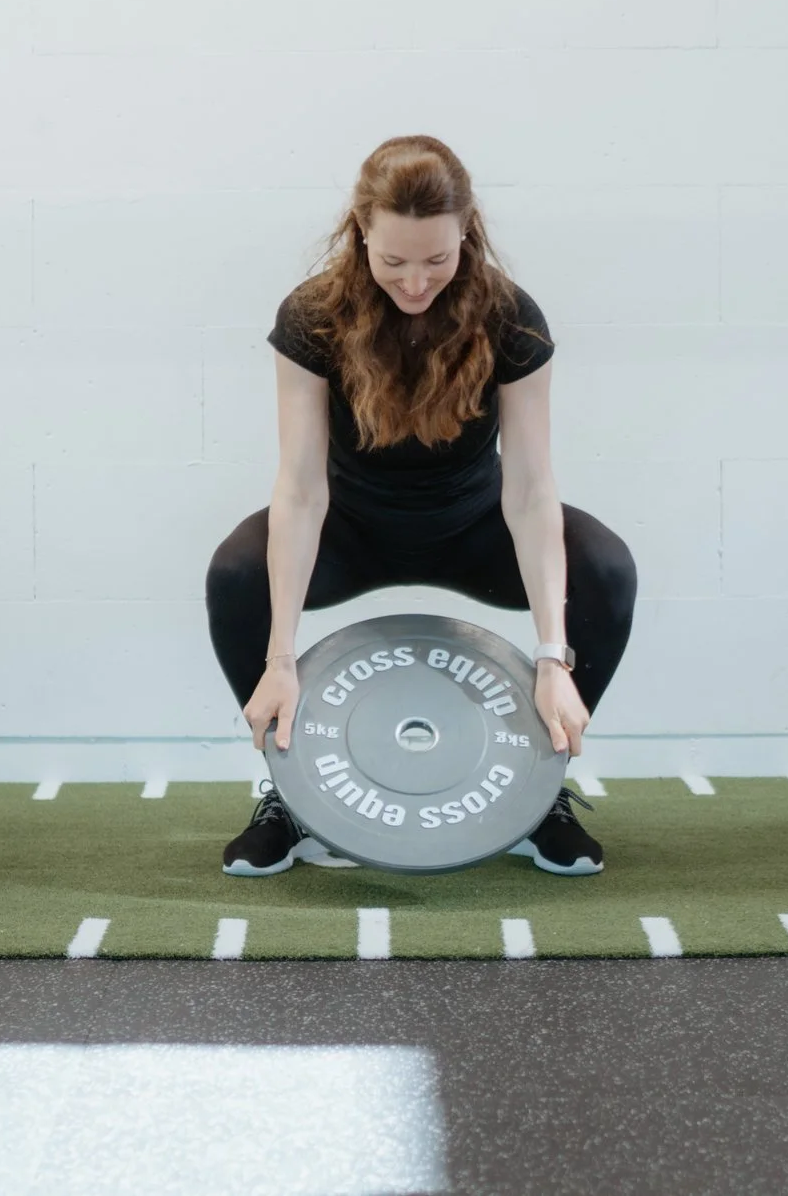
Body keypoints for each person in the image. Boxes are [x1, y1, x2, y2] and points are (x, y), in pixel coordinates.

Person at [205, 136, 637, 876]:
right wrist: (280, 659)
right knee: (237, 572)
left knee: (603, 567)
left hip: (472, 528)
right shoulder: (312, 317)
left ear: (466, 232)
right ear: (361, 230)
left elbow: (532, 491)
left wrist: (551, 655)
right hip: (353, 528)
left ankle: (540, 792)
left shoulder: (510, 317)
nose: (415, 282)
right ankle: (291, 793)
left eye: (437, 261)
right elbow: (302, 488)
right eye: (394, 261)